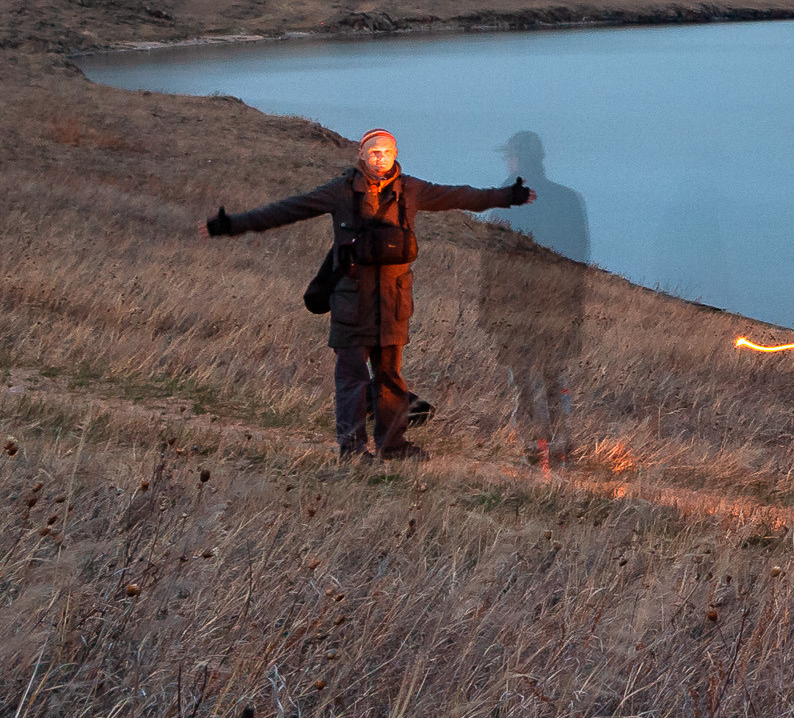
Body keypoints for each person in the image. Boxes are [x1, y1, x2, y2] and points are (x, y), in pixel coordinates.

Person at [202, 129, 532, 462]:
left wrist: (508, 196)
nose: (381, 158)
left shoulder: (410, 190)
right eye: (374, 153)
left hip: (393, 303)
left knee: (390, 377)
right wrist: (230, 225)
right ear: (361, 154)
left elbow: (461, 197)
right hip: (352, 301)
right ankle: (353, 450)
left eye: (387, 152)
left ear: (395, 154)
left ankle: (393, 446)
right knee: (352, 378)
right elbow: (287, 210)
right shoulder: (340, 192)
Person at [480, 131, 590, 468]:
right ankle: (556, 442)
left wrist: (488, 308)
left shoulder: (503, 202)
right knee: (553, 376)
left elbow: (492, 263)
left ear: (513, 158)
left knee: (525, 380)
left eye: (511, 156)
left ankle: (532, 444)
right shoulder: (567, 200)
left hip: (518, 308)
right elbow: (579, 258)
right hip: (555, 305)